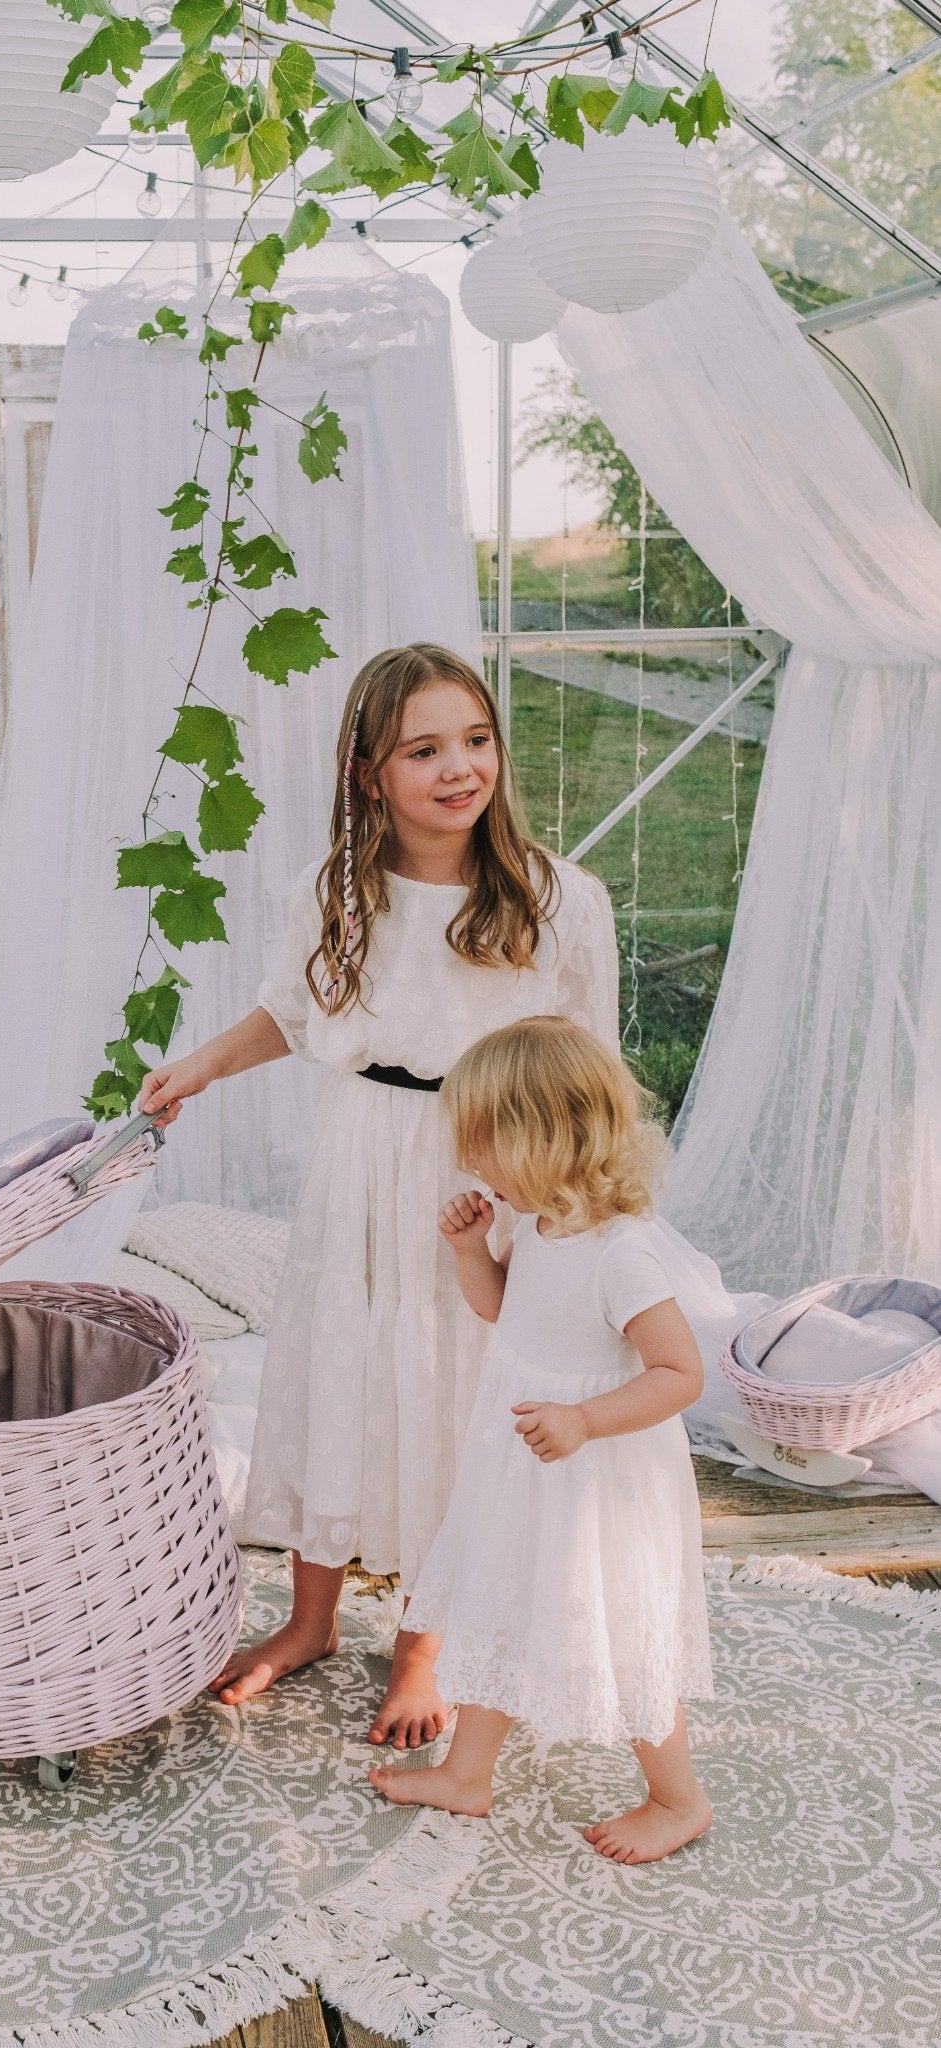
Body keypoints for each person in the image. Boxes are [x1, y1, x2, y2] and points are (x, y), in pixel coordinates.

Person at [139, 643, 619, 1748]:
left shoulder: (555, 897)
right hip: (362, 1162)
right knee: (340, 1368)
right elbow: (297, 1013)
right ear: (369, 772)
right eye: (424, 749)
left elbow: (589, 1062)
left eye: (476, 739)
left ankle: (423, 1640)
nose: (460, 768)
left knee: (453, 1386)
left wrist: (577, 1204)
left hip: (489, 1164)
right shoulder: (342, 892)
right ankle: (309, 1617)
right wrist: (202, 1065)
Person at [370, 1016, 713, 1864]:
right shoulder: (536, 1226)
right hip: (524, 1465)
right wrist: (467, 1249)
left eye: (482, 1147)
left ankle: (677, 1798)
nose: (471, 1166)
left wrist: (585, 1420)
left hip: (594, 1478)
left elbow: (679, 1374)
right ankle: (466, 1774)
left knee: (616, 1630)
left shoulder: (621, 1255)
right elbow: (501, 1311)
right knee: (500, 1602)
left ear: (544, 1138)